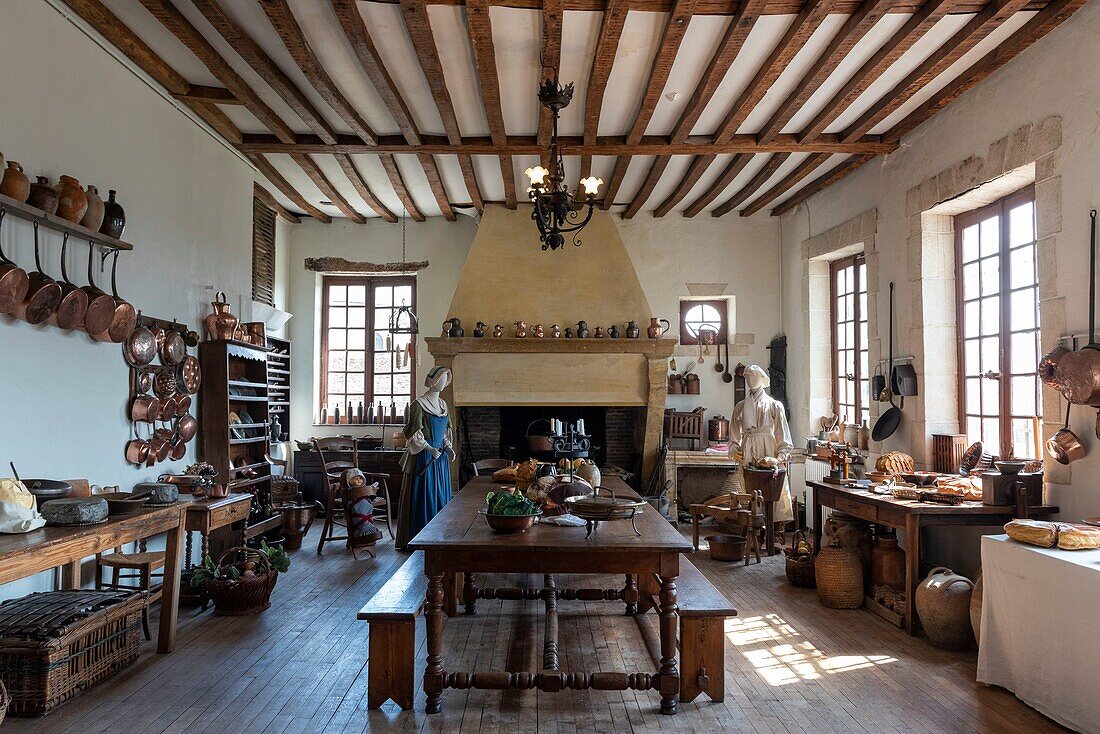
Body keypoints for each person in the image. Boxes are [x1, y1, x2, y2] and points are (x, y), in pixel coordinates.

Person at [395, 366, 456, 550]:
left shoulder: (443, 405)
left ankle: (440, 537)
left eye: (447, 379)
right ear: (434, 380)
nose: (445, 383)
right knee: (425, 495)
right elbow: (415, 432)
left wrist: (448, 448)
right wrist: (429, 449)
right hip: (424, 458)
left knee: (440, 495)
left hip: (440, 460)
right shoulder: (419, 404)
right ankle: (420, 538)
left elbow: (444, 433)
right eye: (442, 379)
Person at [730, 364, 794, 524]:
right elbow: (733, 434)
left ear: (761, 379)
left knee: (773, 491)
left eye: (753, 377)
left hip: (768, 450)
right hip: (748, 450)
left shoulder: (773, 405)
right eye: (747, 378)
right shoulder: (740, 407)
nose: (749, 381)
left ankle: (775, 529)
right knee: (750, 490)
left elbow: (782, 433)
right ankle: (754, 528)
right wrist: (735, 449)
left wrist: (780, 456)